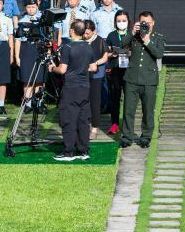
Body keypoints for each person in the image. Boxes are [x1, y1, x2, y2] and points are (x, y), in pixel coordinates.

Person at [49, 18, 94, 161]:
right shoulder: (88, 46)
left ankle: (69, 152)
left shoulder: (68, 47)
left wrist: (52, 67)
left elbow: (62, 70)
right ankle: (83, 150)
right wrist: (80, 68)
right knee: (83, 119)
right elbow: (93, 67)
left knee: (68, 118)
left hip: (71, 87)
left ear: (72, 31)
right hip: (85, 87)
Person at [119, 10, 164, 149]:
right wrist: (132, 32)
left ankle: (146, 137)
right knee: (128, 110)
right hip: (132, 79)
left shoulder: (157, 38)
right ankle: (127, 136)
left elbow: (159, 54)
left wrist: (147, 41)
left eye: (148, 23)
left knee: (148, 111)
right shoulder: (134, 36)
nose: (146, 25)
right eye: (143, 23)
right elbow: (122, 45)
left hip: (149, 81)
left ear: (153, 23)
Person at [15, 0, 44, 112]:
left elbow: (47, 38)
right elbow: (17, 40)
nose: (31, 9)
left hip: (39, 49)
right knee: (27, 79)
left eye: (33, 7)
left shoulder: (43, 20)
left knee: (39, 79)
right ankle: (27, 104)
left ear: (37, 6)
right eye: (28, 7)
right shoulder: (22, 21)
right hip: (26, 50)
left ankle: (38, 103)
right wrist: (17, 57)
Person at [104, 9, 129, 136]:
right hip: (115, 71)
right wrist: (112, 54)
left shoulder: (131, 35)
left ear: (128, 21)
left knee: (129, 99)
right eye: (119, 21)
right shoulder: (112, 35)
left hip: (129, 71)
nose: (121, 23)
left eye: (124, 20)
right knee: (115, 98)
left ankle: (127, 124)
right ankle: (114, 123)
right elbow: (106, 53)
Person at [83, 19, 107, 138]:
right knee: (84, 100)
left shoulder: (100, 41)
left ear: (93, 31)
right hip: (83, 74)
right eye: (84, 33)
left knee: (95, 100)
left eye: (88, 33)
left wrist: (95, 63)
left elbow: (105, 57)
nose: (85, 35)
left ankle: (95, 127)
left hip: (96, 74)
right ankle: (84, 124)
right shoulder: (81, 40)